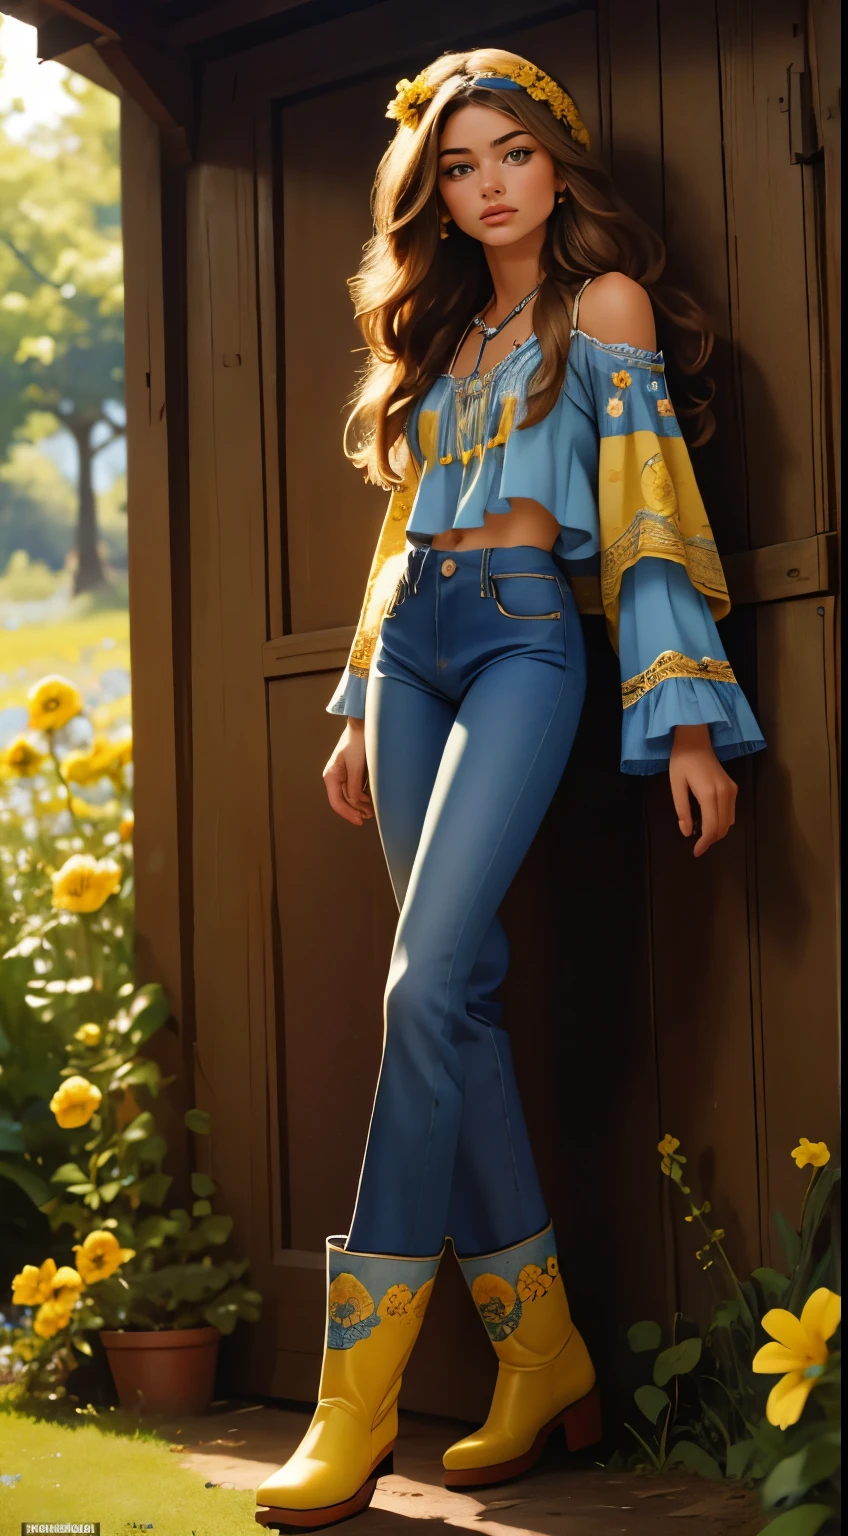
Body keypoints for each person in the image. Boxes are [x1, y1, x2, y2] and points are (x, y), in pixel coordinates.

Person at [255, 45, 765, 1531]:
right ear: (437, 189)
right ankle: (542, 1359)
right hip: (410, 654)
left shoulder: (598, 312)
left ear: (559, 162)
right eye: (460, 165)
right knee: (454, 987)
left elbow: (652, 518)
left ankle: (356, 1405)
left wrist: (684, 724)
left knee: (424, 990)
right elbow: (394, 540)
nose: (488, 187)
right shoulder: (441, 342)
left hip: (533, 639)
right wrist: (356, 702)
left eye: (512, 157)